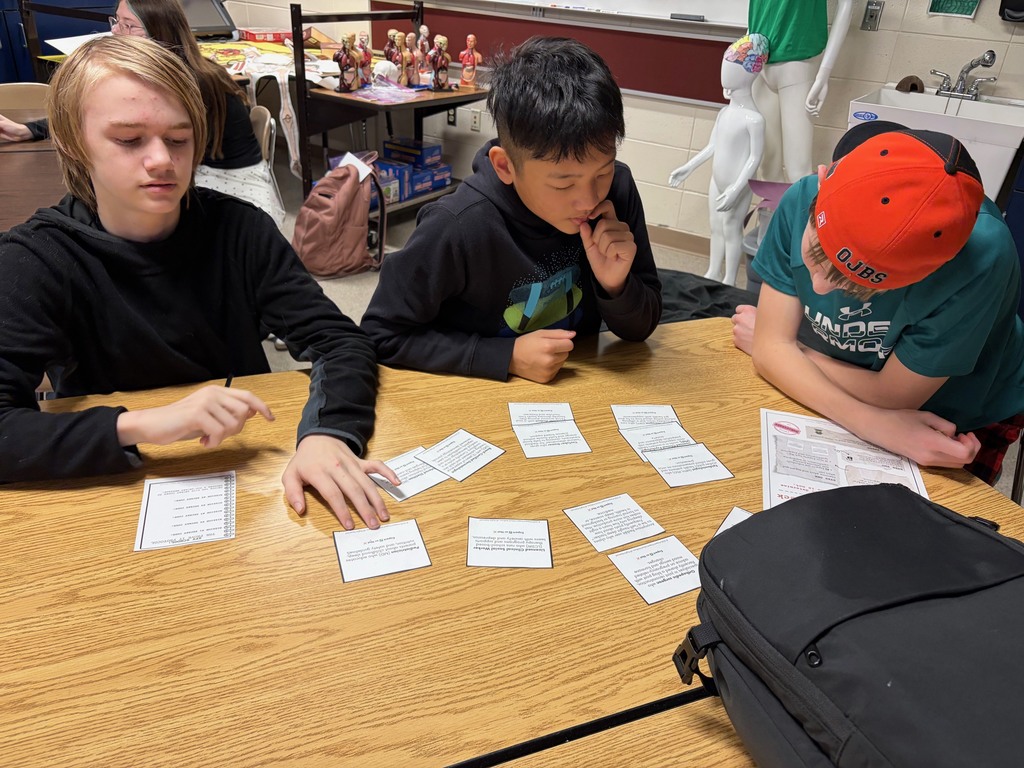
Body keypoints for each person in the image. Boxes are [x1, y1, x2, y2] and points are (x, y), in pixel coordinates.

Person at [0, 35, 400, 529]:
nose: (162, 161)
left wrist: (328, 433)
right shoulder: (34, 259)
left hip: (240, 472)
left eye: (178, 138)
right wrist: (143, 424)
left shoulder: (241, 230)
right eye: (129, 140)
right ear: (73, 144)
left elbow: (341, 342)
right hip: (108, 490)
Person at [361, 37, 662, 384]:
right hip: (475, 393)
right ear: (505, 166)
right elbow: (379, 335)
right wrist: (505, 357)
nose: (589, 200)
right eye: (564, 184)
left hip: (576, 389)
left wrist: (617, 287)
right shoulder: (455, 225)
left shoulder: (618, 189)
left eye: (603, 171)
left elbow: (641, 327)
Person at [731, 124, 1024, 481]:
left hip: (962, 409)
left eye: (858, 286)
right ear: (824, 181)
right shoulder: (801, 198)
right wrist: (879, 426)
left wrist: (793, 353)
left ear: (928, 273)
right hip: (862, 381)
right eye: (815, 255)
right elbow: (771, 350)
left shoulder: (981, 258)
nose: (819, 288)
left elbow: (892, 395)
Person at [0, 0, 284, 226]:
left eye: (128, 26)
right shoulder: (169, 73)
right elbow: (98, 115)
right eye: (116, 22)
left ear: (158, 33)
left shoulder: (183, 81)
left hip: (229, 186)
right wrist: (31, 129)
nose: (115, 32)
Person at [669, 34, 768, 287]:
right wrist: (688, 167)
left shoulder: (754, 119)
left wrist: (736, 189)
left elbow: (754, 158)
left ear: (746, 74)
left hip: (738, 184)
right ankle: (714, 270)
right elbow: (713, 145)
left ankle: (729, 279)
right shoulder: (724, 113)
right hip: (717, 181)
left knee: (732, 229)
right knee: (716, 226)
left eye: (730, 70)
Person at [748, 0, 852, 182]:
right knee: (767, 167)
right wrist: (740, 59)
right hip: (758, 61)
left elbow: (846, 5)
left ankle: (804, 210)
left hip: (797, 63)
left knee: (798, 171)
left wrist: (823, 74)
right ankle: (774, 211)